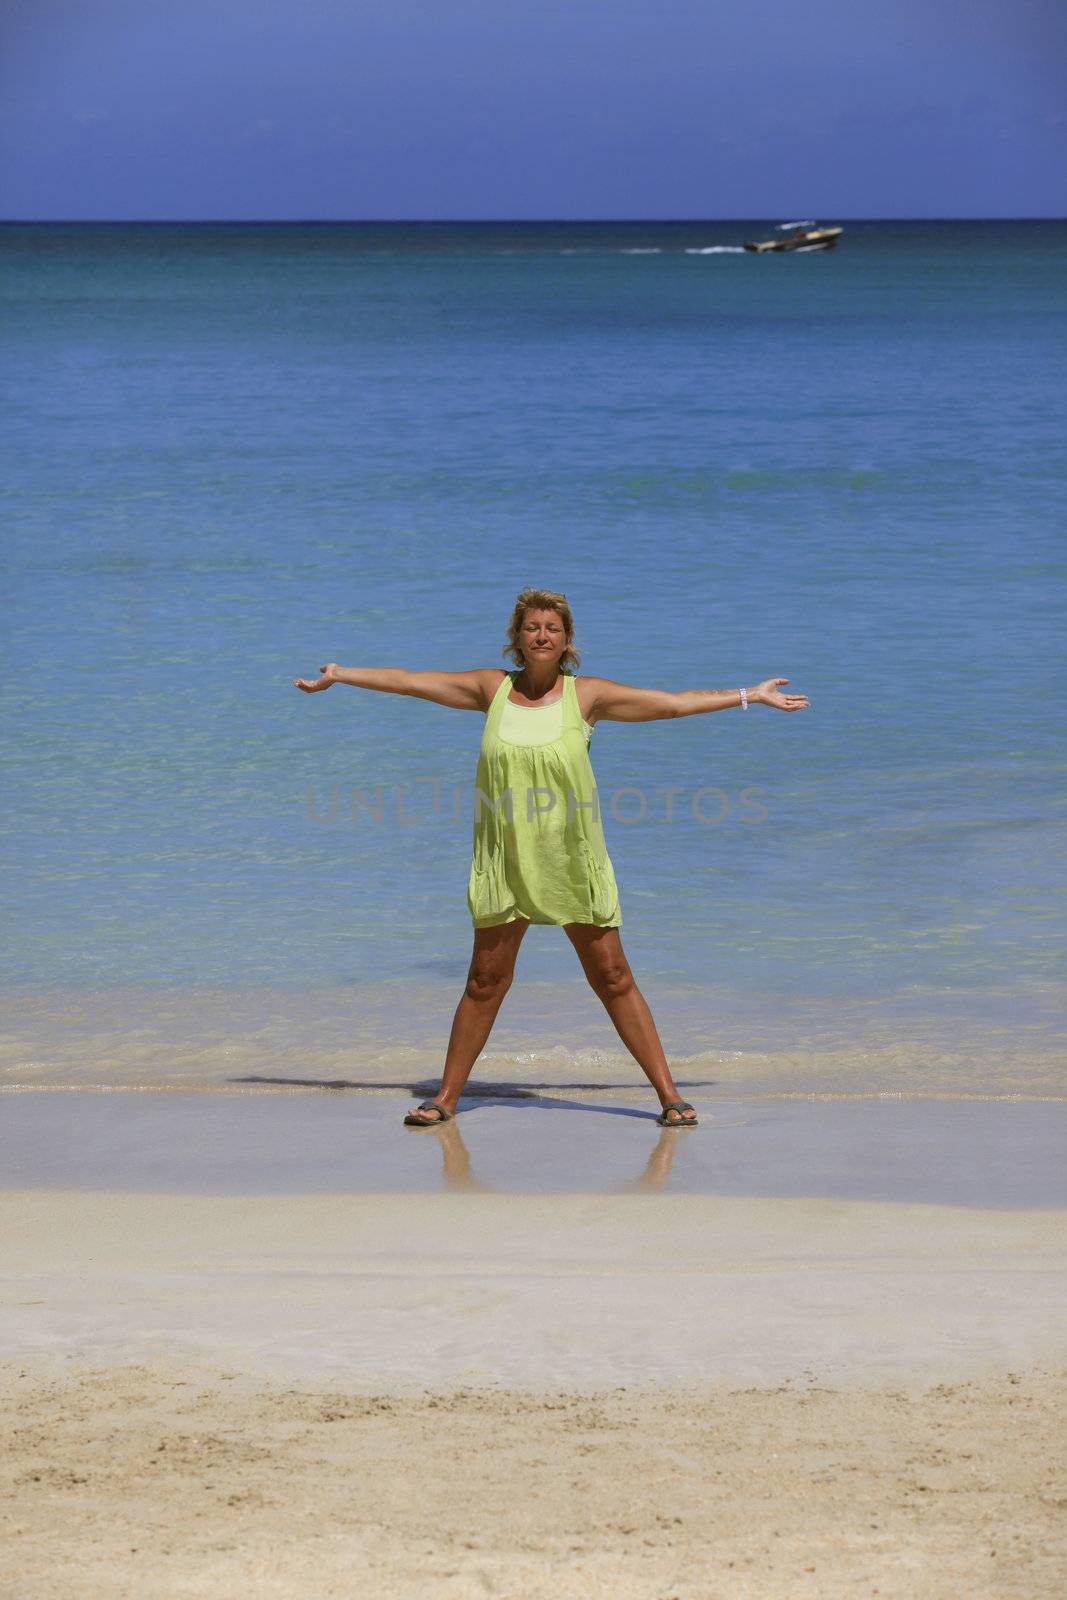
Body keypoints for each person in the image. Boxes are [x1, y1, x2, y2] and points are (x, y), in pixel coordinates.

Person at [293, 587, 809, 1129]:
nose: (542, 635)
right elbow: (413, 682)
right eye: (532, 626)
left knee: (612, 977)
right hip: (506, 860)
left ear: (566, 640)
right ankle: (446, 1097)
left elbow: (673, 703)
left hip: (569, 858)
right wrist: (343, 673)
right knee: (484, 981)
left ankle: (669, 1095)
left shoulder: (587, 697)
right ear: (517, 638)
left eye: (553, 628)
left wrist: (749, 694)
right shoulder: (490, 689)